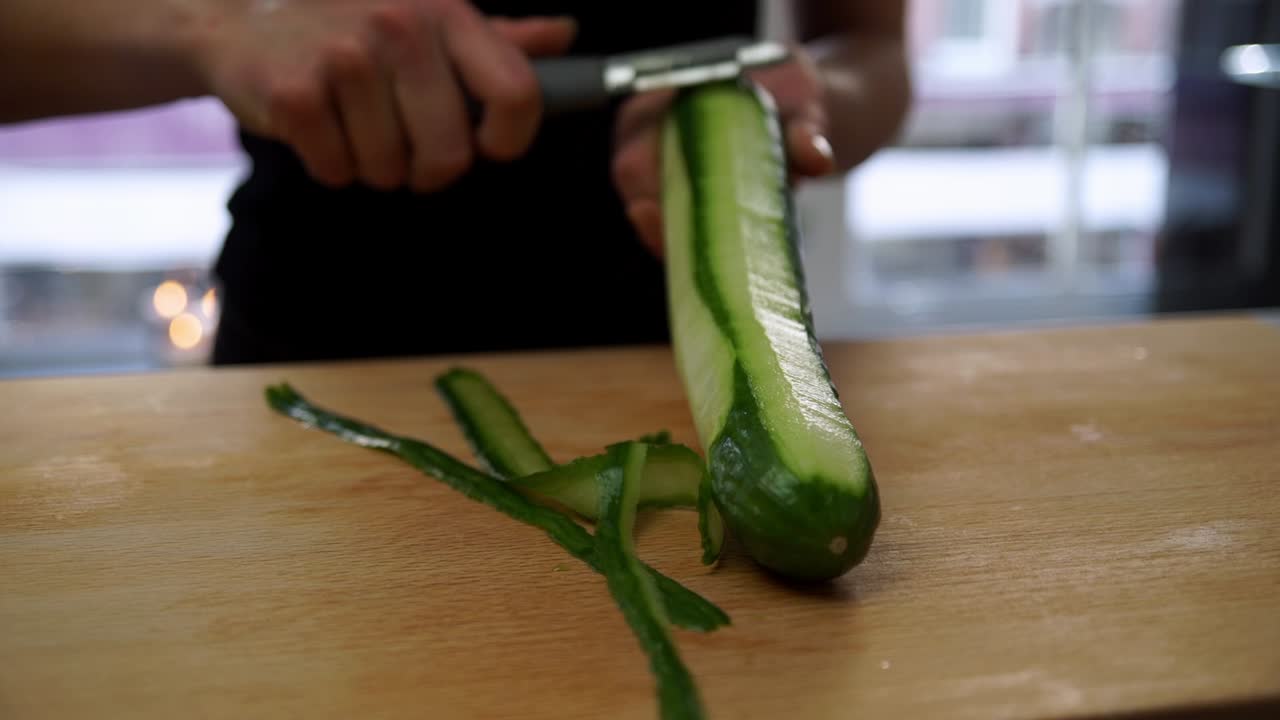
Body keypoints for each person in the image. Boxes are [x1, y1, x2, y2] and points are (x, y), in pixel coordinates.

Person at [0, 1, 910, 365]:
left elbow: (875, 48)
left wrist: (813, 96)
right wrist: (216, 30)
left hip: (668, 357)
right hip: (316, 360)